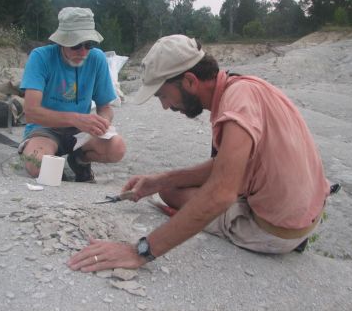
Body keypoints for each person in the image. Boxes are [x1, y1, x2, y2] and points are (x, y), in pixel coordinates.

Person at [67, 34, 331, 272]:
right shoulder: (244, 87)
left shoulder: (234, 108)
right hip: (303, 213)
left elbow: (221, 193)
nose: (165, 106)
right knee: (168, 189)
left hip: (275, 231)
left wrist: (140, 251)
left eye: (163, 96)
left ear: (190, 81)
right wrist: (160, 180)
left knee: (179, 197)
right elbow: (226, 165)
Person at [19, 7, 125, 182]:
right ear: (62, 41)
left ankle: (78, 160)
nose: (83, 52)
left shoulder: (97, 59)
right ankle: (51, 160)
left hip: (80, 132)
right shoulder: (40, 57)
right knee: (37, 165)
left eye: (88, 45)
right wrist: (75, 118)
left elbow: (105, 107)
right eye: (76, 45)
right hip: (45, 130)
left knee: (117, 148)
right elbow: (31, 112)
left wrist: (102, 123)